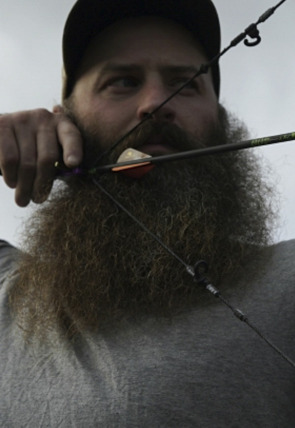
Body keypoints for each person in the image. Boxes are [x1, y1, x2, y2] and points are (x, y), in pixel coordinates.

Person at [0, 0, 294, 426]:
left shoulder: (285, 281)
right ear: (64, 122)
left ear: (221, 120)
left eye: (187, 82)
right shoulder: (9, 295)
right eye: (123, 81)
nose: (156, 103)